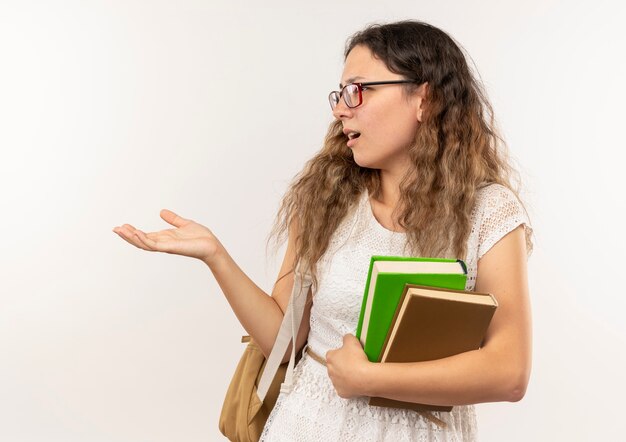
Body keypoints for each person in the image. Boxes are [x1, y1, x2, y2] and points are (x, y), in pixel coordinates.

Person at [113, 20, 533, 442]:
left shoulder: (488, 211)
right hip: (309, 426)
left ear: (424, 97)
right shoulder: (325, 200)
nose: (340, 109)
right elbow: (285, 338)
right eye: (340, 94)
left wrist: (368, 379)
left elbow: (509, 370)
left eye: (358, 90)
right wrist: (216, 256)